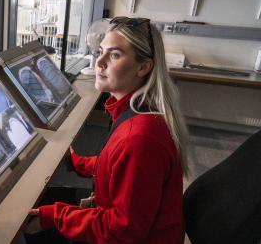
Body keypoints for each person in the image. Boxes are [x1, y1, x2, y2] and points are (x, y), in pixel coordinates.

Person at [24, 16, 189, 243]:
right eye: (100, 51)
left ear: (143, 67)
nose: (99, 62)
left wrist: (54, 216)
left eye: (114, 55)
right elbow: (116, 166)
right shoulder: (138, 112)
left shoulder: (139, 138)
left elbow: (122, 231)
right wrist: (77, 162)